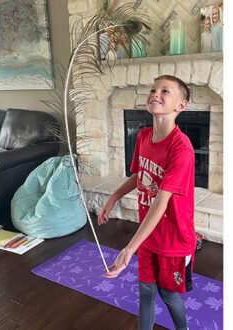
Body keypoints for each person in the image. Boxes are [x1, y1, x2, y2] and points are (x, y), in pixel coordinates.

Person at [98, 75, 195, 330]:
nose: (156, 94)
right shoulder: (143, 137)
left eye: (165, 91)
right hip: (148, 235)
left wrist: (129, 249)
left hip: (174, 239)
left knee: (168, 294)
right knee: (145, 293)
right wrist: (114, 196)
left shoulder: (181, 148)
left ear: (180, 106)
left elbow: (161, 203)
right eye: (153, 89)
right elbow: (139, 174)